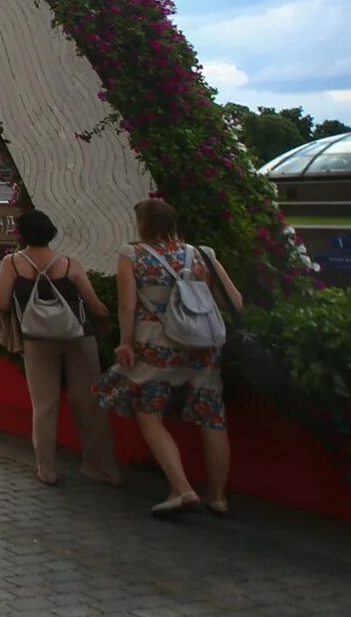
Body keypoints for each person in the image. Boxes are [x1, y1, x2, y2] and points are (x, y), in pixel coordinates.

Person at [96, 197, 243, 516]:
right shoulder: (203, 254)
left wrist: (125, 343)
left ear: (143, 225)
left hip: (156, 346)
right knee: (212, 417)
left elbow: (127, 306)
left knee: (148, 412)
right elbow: (235, 301)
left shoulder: (132, 254)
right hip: (204, 346)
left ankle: (182, 488)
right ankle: (217, 496)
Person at [0, 210, 120, 488]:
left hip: (36, 340)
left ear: (22, 234)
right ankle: (101, 468)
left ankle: (47, 470)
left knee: (44, 405)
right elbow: (96, 307)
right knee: (89, 402)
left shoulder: (12, 264)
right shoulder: (69, 264)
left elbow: (1, 303)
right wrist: (107, 326)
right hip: (79, 338)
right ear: (50, 232)